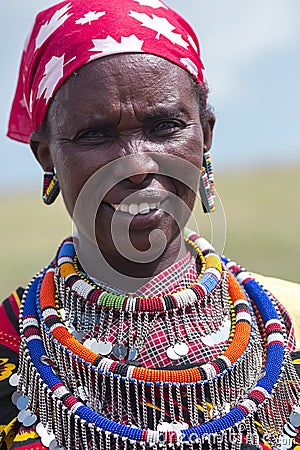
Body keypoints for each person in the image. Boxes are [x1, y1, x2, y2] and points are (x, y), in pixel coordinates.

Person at [0, 0, 299, 449]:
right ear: (47, 156)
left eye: (164, 126)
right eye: (95, 134)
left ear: (206, 135)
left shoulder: (288, 318)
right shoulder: (11, 343)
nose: (136, 166)